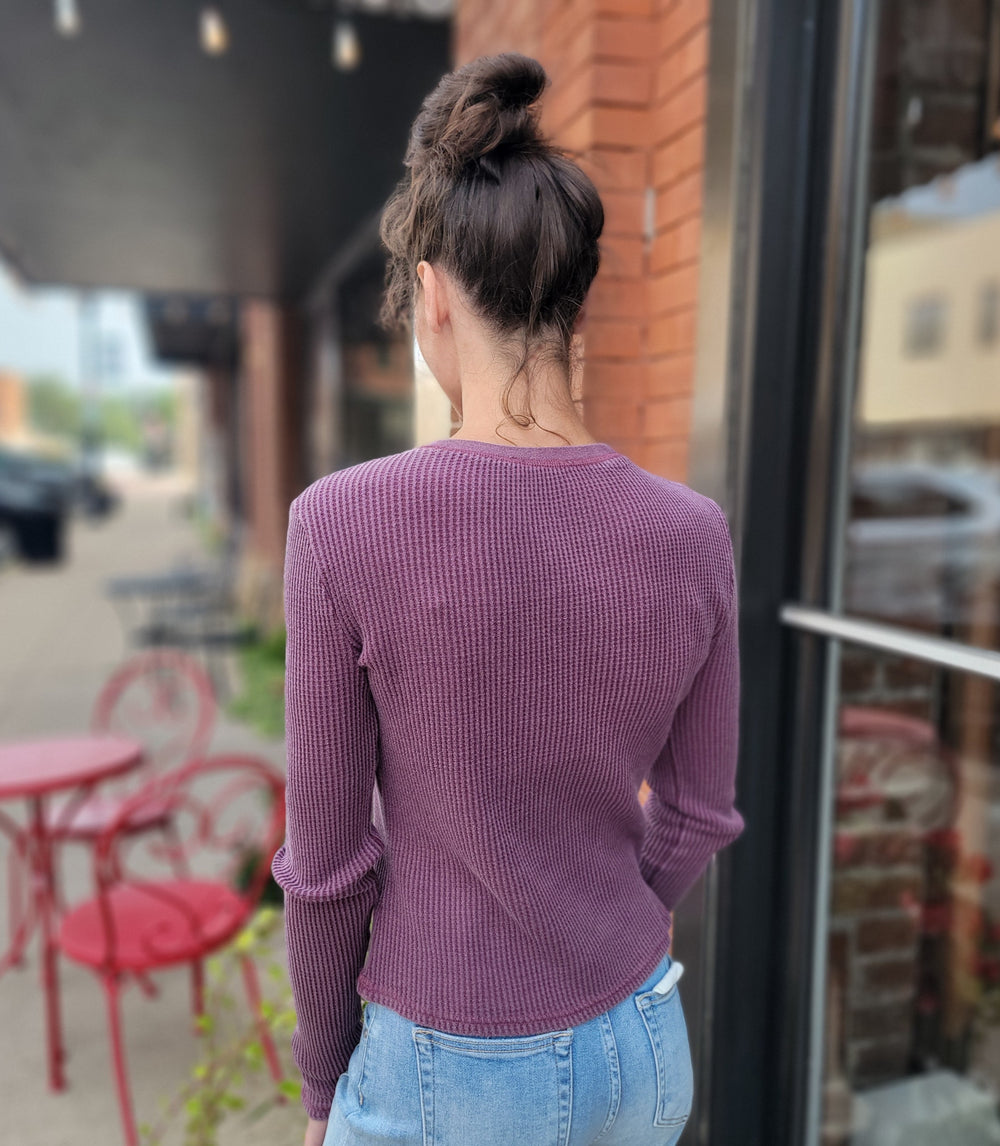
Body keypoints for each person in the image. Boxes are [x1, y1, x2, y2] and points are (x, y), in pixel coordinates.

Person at [271, 50, 746, 1146]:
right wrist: (600, 927)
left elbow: (328, 870)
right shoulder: (692, 533)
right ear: (574, 303)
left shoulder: (340, 524)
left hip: (447, 1072)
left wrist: (322, 1083)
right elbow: (697, 812)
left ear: (432, 294)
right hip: (640, 1039)